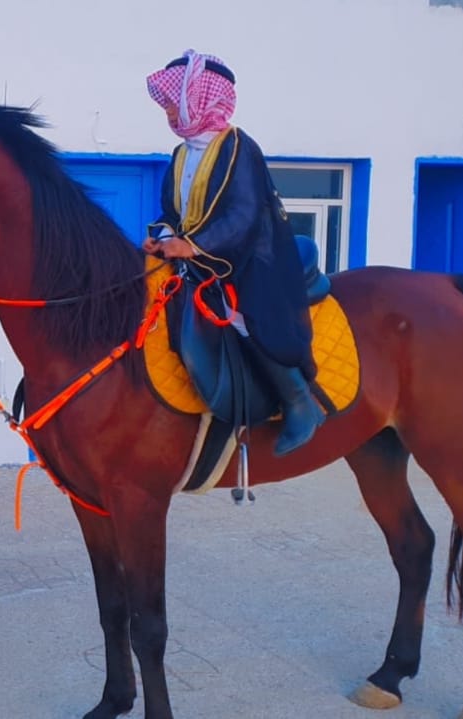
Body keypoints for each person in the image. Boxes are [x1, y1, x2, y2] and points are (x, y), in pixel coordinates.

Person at [142, 50, 324, 456]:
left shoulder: (239, 147)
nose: (168, 110)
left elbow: (243, 215)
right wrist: (164, 237)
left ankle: (299, 402)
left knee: (243, 314)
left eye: (173, 101)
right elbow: (172, 211)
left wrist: (192, 246)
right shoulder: (181, 154)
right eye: (166, 103)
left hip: (250, 254)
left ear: (200, 99)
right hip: (200, 256)